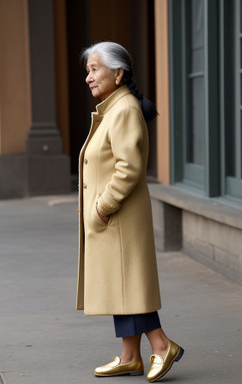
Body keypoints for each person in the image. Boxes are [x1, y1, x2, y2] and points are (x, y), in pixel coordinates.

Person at [76, 41, 184, 383]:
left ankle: (162, 345)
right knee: (119, 285)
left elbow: (129, 167)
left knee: (128, 285)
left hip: (118, 216)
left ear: (118, 73)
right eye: (88, 71)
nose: (88, 78)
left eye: (94, 70)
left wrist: (103, 208)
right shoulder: (115, 107)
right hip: (114, 218)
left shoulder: (123, 110)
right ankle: (130, 356)